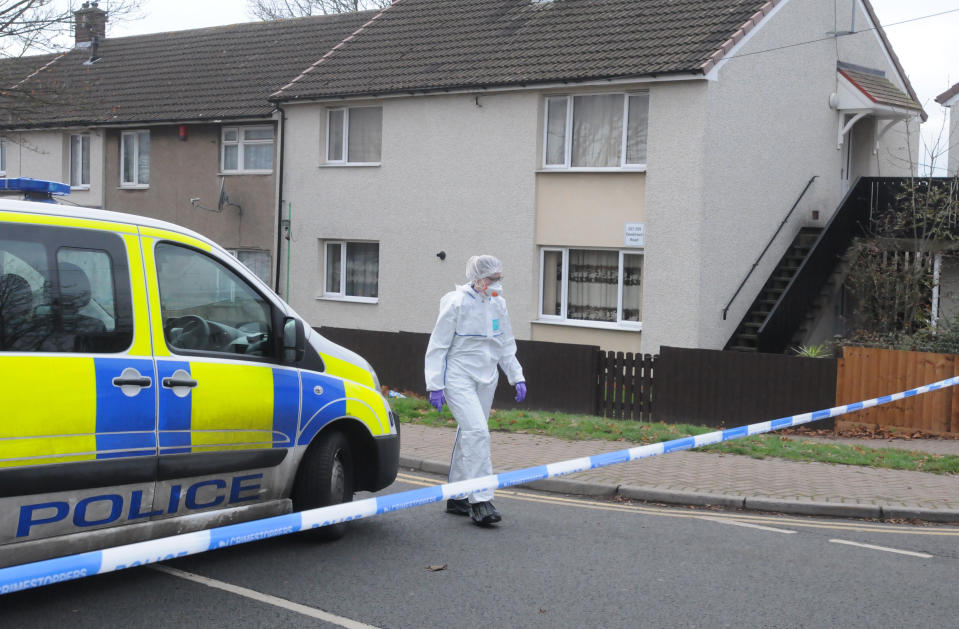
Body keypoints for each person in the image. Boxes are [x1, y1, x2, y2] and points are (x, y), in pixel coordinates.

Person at [424, 255, 527, 526]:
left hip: (487, 377)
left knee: (469, 433)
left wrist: (516, 375)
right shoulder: (455, 302)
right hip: (459, 376)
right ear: (478, 279)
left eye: (499, 278)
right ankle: (480, 501)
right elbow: (438, 345)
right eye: (493, 279)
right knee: (478, 433)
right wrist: (435, 384)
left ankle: (457, 495)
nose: (498, 284)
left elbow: (505, 343)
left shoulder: (498, 304)